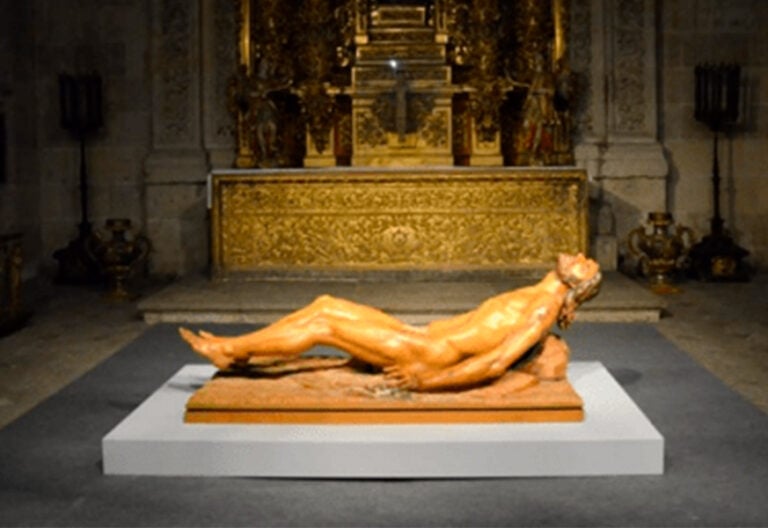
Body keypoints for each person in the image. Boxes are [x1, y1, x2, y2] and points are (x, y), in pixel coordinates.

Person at [180, 253, 601, 392]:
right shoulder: (537, 293)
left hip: (425, 355)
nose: (580, 256)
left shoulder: (543, 308)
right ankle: (239, 349)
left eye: (586, 264)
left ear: (577, 285)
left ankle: (230, 349)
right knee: (325, 304)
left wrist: (425, 381)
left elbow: (495, 363)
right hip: (418, 337)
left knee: (324, 323)